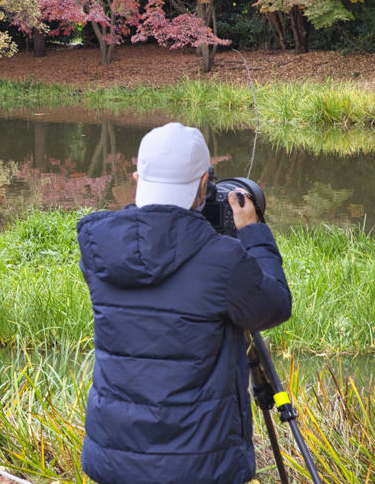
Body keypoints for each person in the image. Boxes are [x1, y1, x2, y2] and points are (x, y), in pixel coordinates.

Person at [77, 122, 292, 484]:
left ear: (135, 177)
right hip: (199, 465)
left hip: (115, 456)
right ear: (204, 185)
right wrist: (253, 234)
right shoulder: (222, 259)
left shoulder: (98, 246)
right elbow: (274, 306)